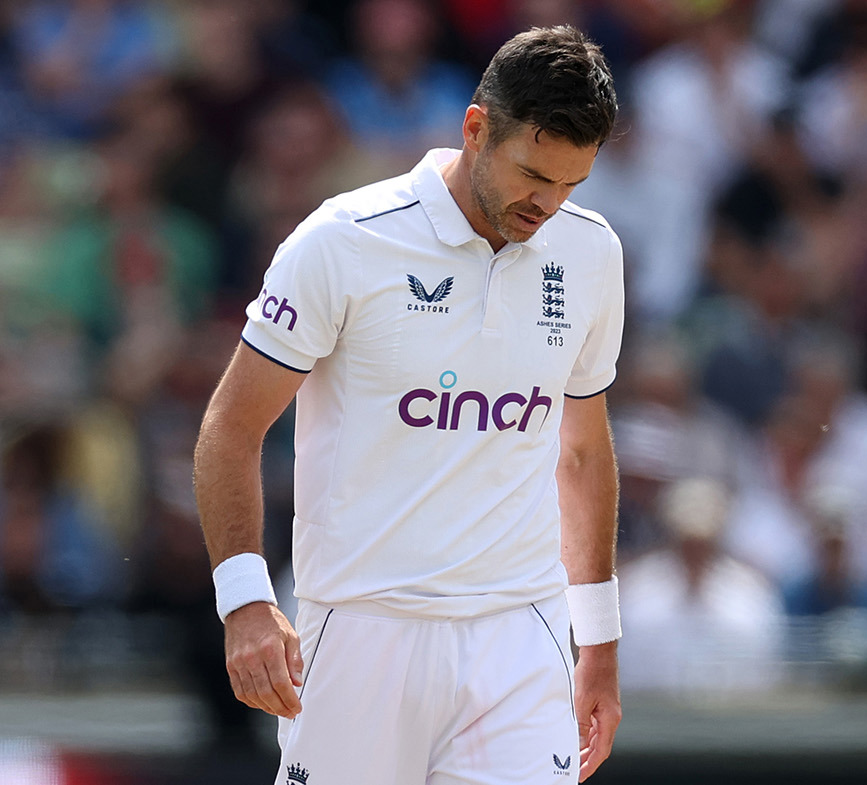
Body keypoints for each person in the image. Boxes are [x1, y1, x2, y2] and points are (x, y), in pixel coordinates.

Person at [193, 25, 624, 785]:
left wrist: (599, 643)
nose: (549, 205)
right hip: (359, 627)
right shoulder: (343, 240)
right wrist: (246, 601)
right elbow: (231, 427)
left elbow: (583, 452)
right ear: (475, 128)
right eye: (533, 175)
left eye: (571, 185)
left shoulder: (591, 251)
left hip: (518, 634)